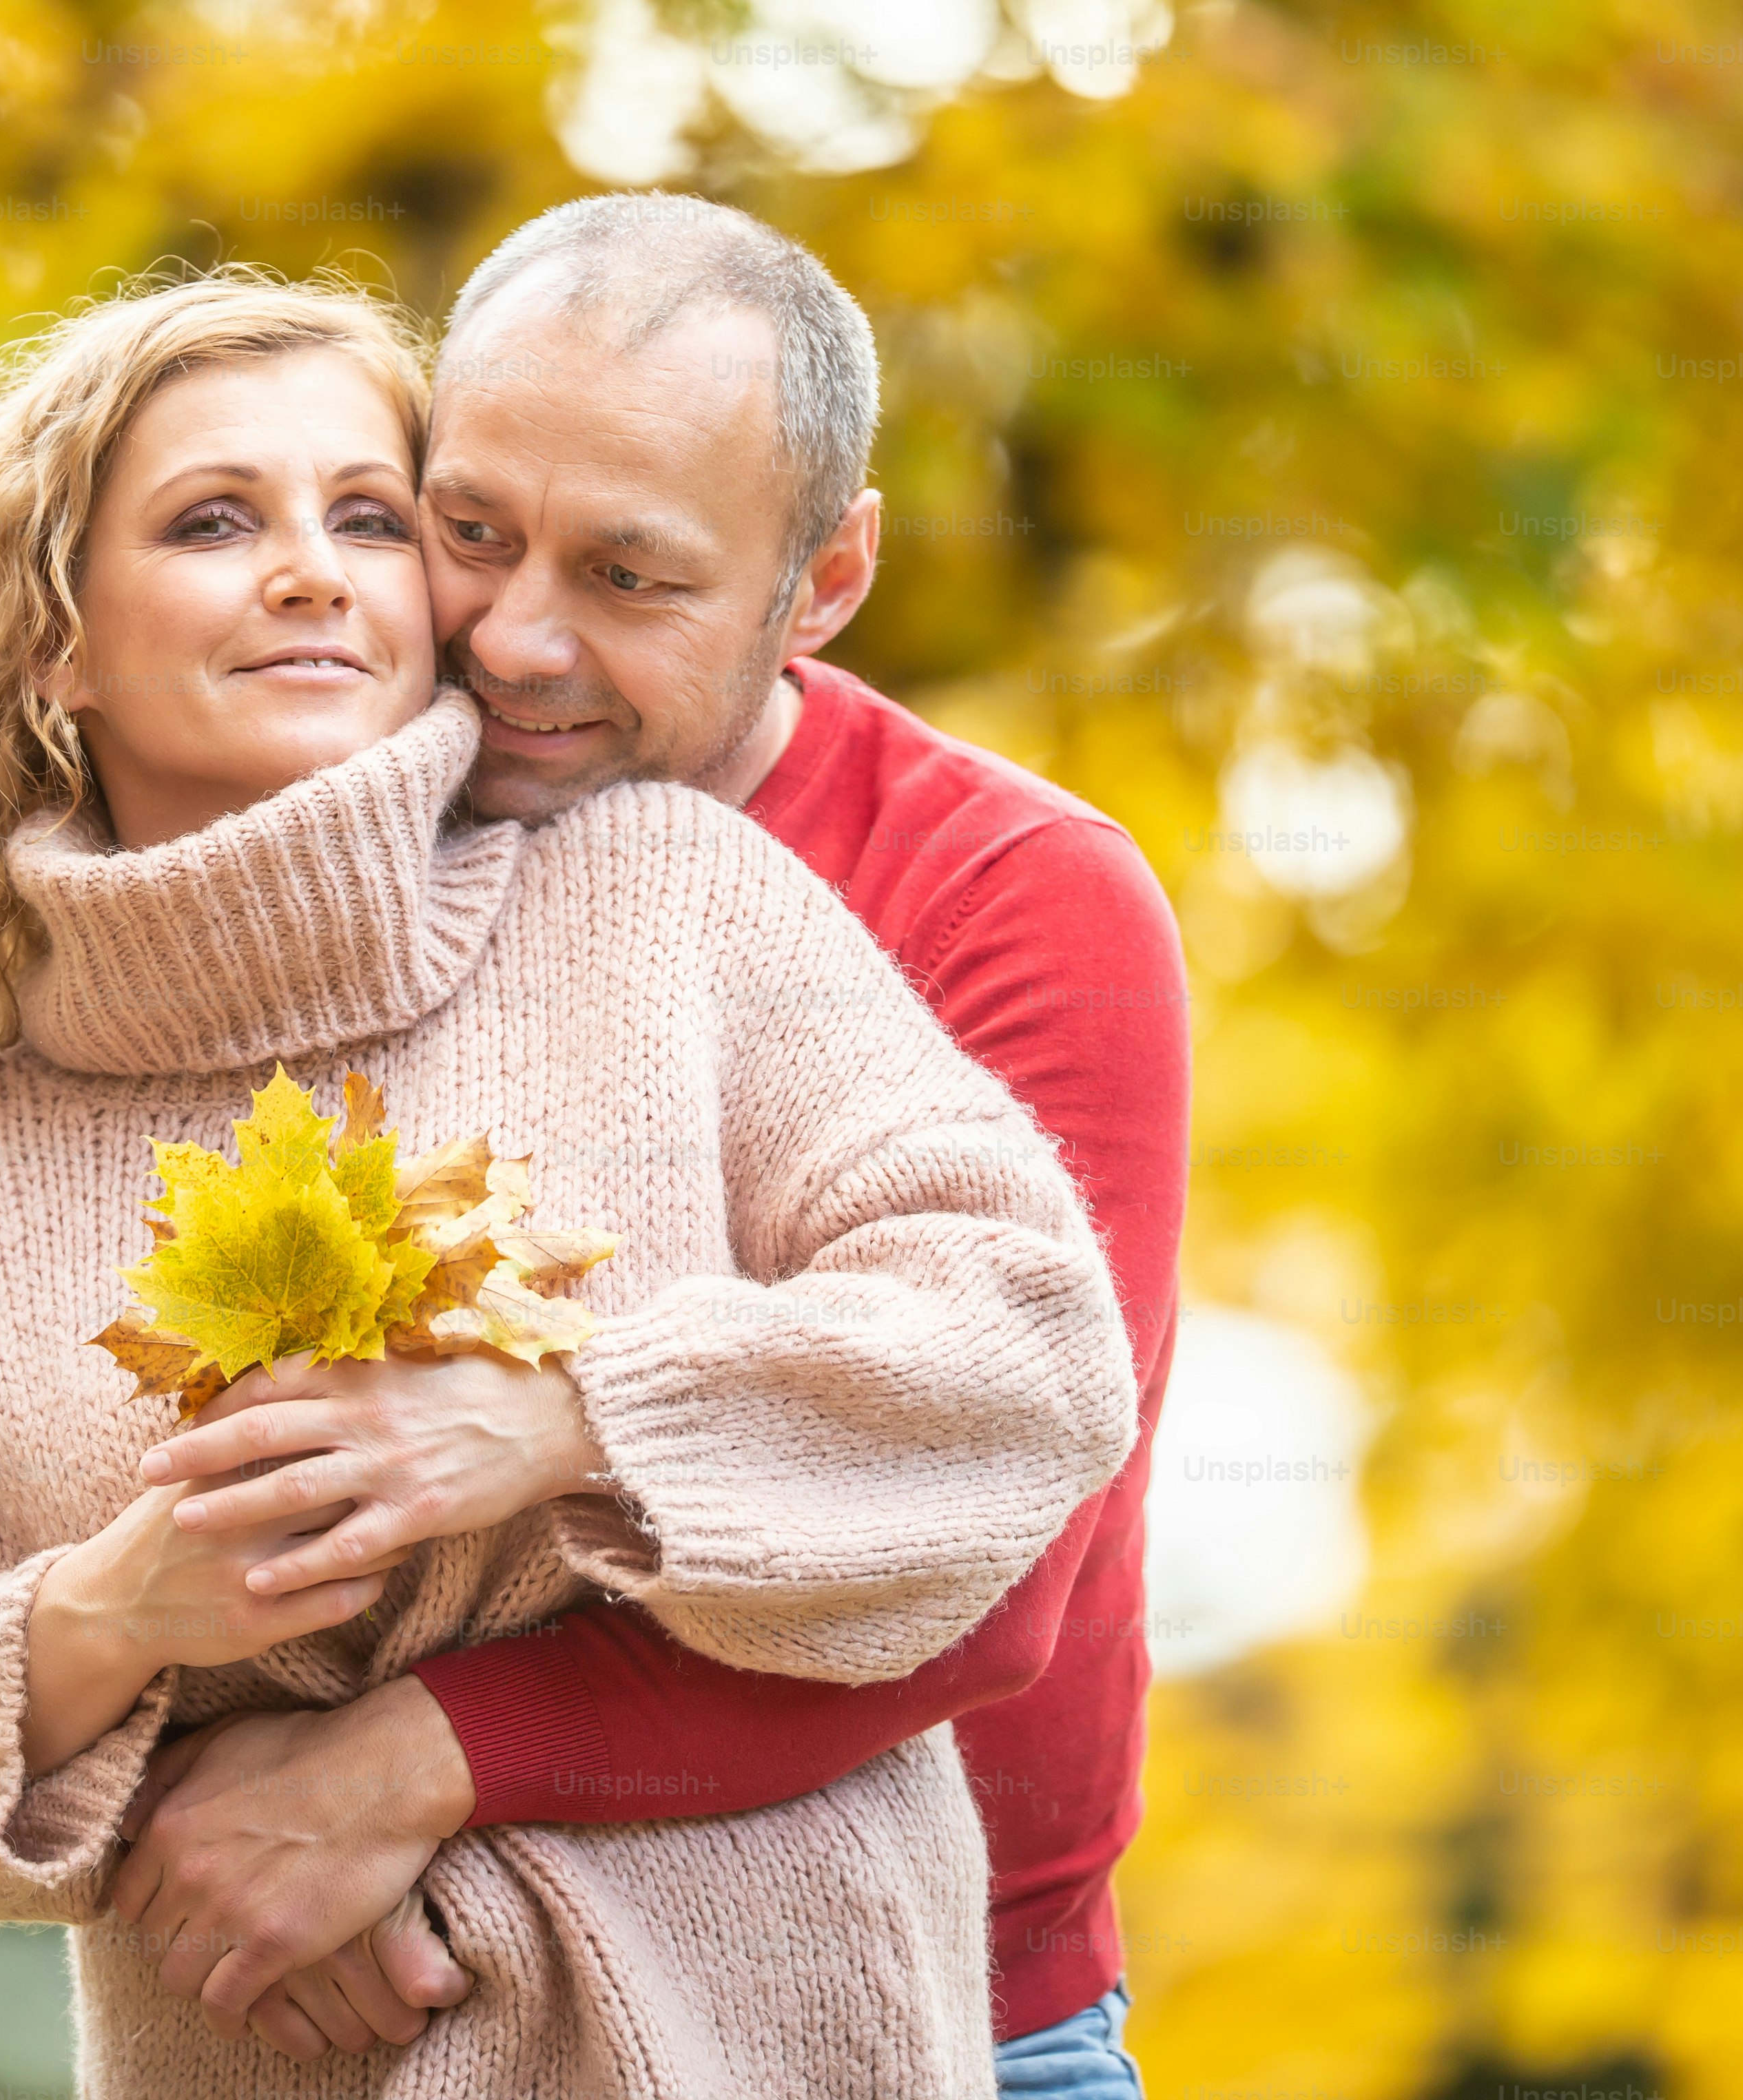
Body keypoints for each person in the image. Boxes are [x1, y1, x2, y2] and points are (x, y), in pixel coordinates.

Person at [0, 268, 1143, 2095]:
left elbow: (1026, 1359)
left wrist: (571, 1417)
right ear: (53, 643)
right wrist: (111, 1619)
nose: (314, 568)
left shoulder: (660, 900)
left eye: (371, 519)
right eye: (214, 519)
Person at [99, 196, 1193, 2099]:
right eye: (472, 533)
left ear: (825, 574)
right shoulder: (349, 835)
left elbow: (996, 1562)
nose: (515, 638)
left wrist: (400, 1765)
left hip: (936, 2017)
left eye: (628, 575)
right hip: (405, 2009)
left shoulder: (1010, 898)